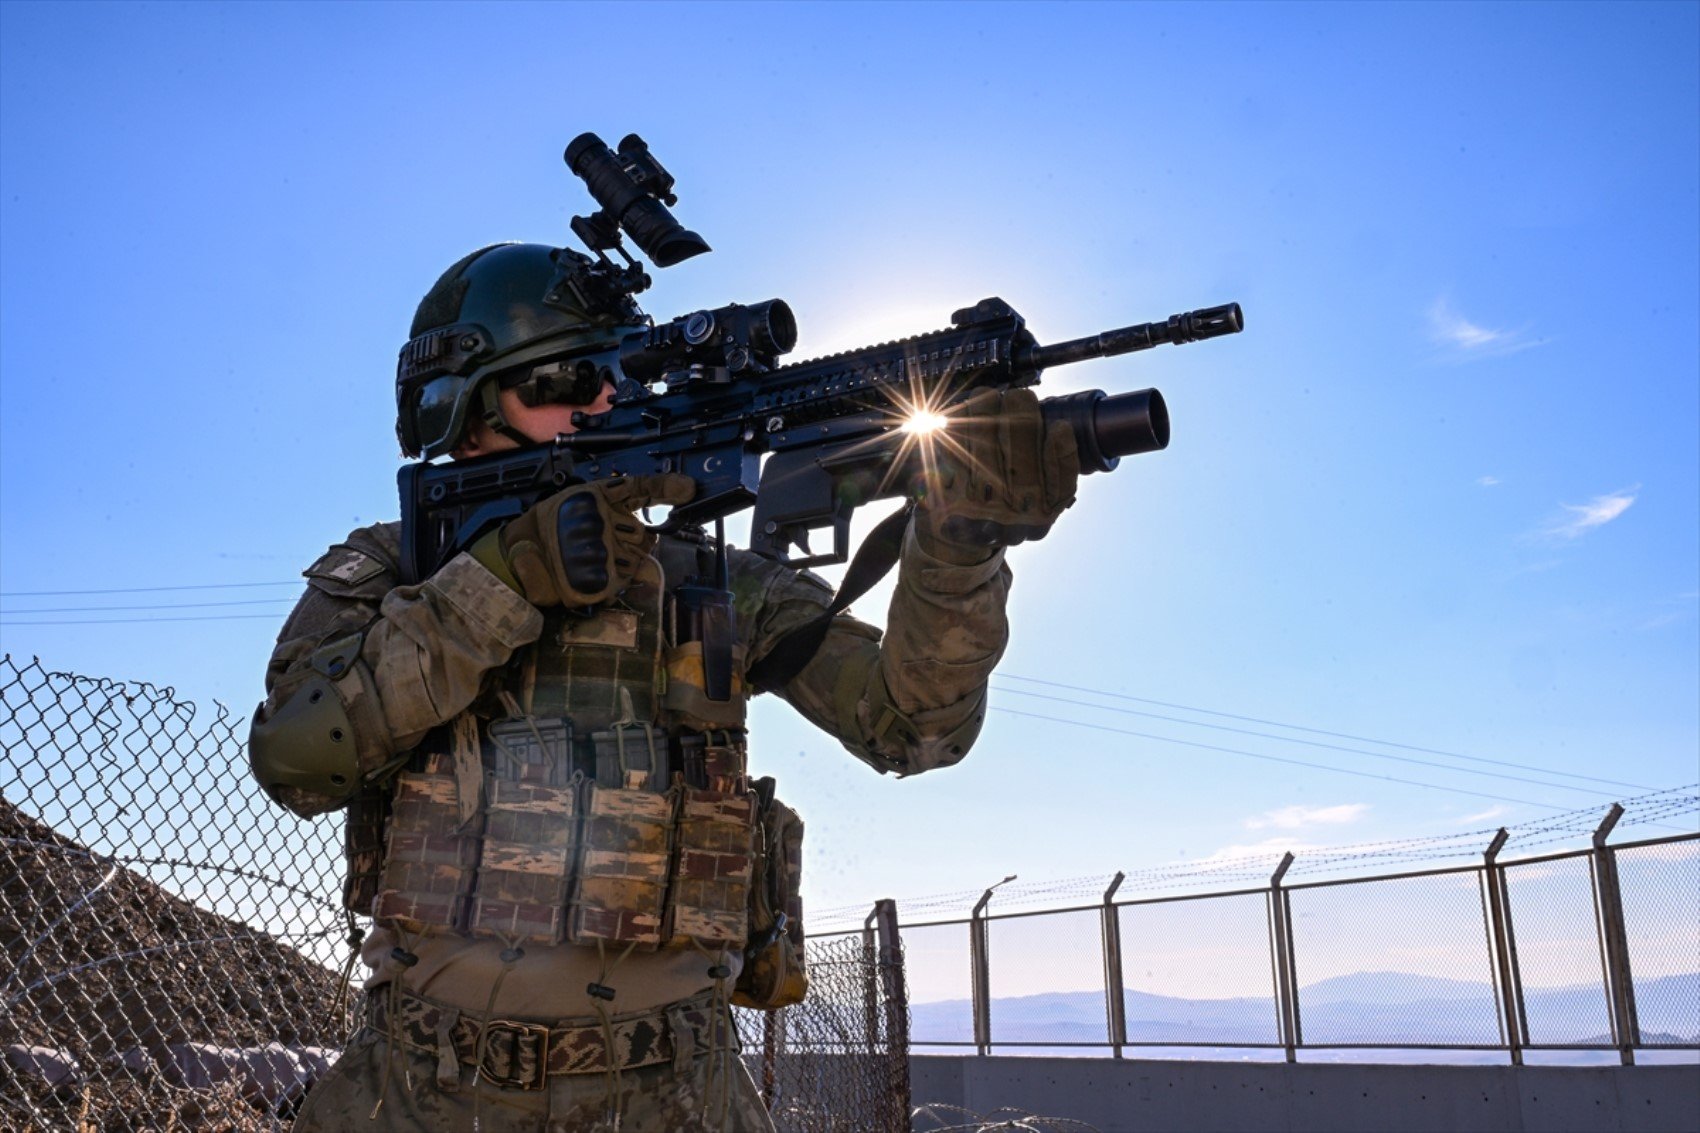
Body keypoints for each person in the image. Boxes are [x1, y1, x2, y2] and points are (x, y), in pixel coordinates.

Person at [249, 240, 1080, 1131]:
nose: (605, 398)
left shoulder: (702, 575)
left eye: (616, 375)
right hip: (421, 1088)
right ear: (464, 403)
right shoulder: (389, 567)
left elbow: (913, 726)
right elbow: (300, 758)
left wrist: (957, 546)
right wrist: (505, 579)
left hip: (679, 1092)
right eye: (568, 379)